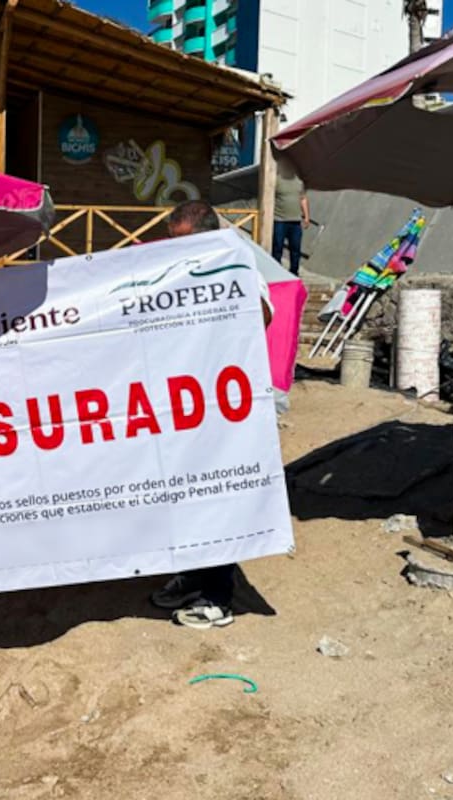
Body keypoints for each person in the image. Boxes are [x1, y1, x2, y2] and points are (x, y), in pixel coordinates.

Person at [153, 201, 273, 629]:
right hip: (179, 407)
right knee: (182, 497)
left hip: (221, 409)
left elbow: (262, 316)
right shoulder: (170, 273)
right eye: (172, 241)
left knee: (215, 498)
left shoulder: (237, 268)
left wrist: (226, 287)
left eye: (183, 242)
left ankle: (219, 598)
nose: (175, 250)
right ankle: (193, 575)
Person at [272, 161, 310, 276]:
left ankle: (294, 271)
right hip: (279, 220)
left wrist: (307, 217)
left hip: (296, 221)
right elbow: (269, 197)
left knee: (296, 249)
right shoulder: (276, 180)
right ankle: (276, 271)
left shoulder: (299, 181)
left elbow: (303, 198)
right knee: (277, 247)